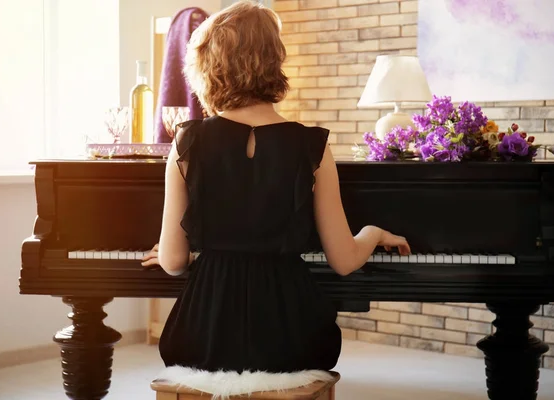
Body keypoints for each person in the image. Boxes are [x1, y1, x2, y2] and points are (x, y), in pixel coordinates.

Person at [141, 0, 410, 396]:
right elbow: (344, 261)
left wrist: (167, 247)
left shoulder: (187, 142)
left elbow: (174, 262)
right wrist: (370, 232)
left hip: (204, 334)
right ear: (274, 62)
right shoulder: (311, 146)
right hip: (289, 335)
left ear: (209, 67)